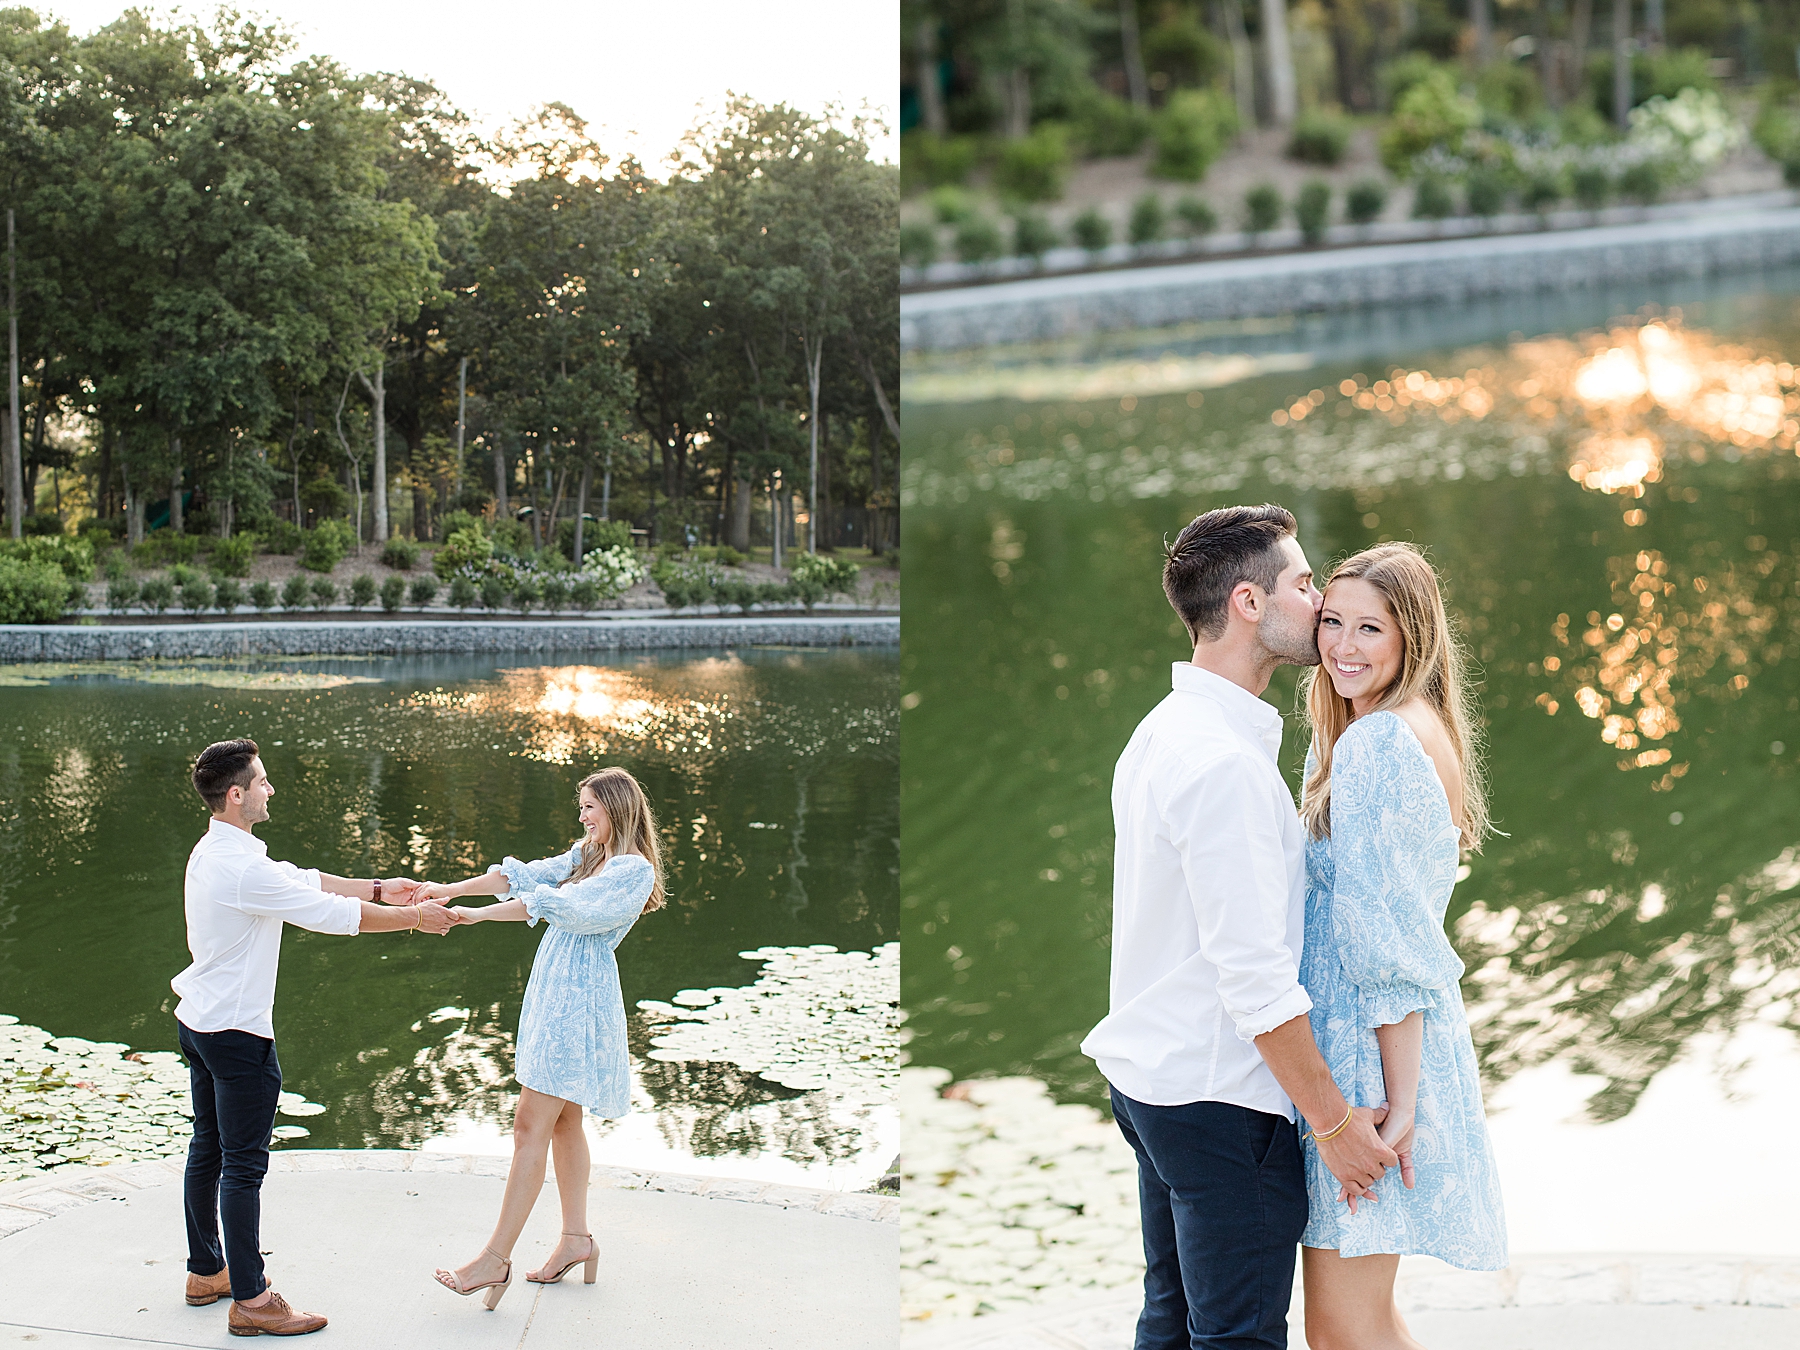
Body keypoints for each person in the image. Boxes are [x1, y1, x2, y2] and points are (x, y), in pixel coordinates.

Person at [1081, 505, 1397, 1350]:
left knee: (1175, 1321)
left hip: (1155, 1085)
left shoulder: (1165, 732)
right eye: (1303, 583)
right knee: (1237, 1338)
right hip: (1219, 1102)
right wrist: (1333, 1126)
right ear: (1250, 602)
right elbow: (1254, 979)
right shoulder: (1222, 765)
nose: (1321, 598)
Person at [1296, 543, 1507, 1350]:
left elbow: (1387, 946)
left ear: (1411, 637)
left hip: (1368, 1061)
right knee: (1366, 1318)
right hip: (1386, 1045)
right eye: (1333, 623)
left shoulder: (1379, 744)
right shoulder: (1392, 727)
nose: (1344, 646)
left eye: (1370, 629)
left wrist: (1398, 1106)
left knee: (1342, 1328)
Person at [176, 738, 453, 1337]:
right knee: (243, 1166)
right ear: (236, 794)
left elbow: (301, 880)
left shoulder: (217, 850)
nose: (270, 789)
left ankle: (207, 1271)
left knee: (209, 1148)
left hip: (199, 1021)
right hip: (235, 1034)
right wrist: (416, 917)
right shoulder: (241, 867)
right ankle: (251, 1299)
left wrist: (382, 887)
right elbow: (328, 914)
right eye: (262, 782)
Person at [423, 766, 665, 1309]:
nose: (582, 817)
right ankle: (577, 1240)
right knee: (563, 1121)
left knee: (530, 1122)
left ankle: (494, 1259)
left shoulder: (632, 871)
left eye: (589, 808)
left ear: (617, 808)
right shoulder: (588, 854)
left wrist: (470, 917)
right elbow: (524, 878)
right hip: (556, 988)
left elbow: (558, 905)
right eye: (581, 808)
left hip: (578, 1000)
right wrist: (451, 888)